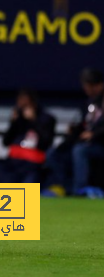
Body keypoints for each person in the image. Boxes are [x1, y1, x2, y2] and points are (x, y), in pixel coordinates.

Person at [44, 68, 104, 196]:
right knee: (53, 153)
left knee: (79, 150)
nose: (86, 89)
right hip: (86, 143)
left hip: (100, 143)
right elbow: (83, 124)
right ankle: (65, 187)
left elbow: (96, 128)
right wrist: (72, 133)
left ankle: (79, 190)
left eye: (88, 85)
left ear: (98, 85)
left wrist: (95, 134)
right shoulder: (89, 102)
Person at [2, 89, 56, 183]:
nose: (22, 108)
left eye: (25, 105)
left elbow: (46, 143)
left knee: (27, 193)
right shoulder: (19, 120)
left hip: (33, 164)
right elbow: (5, 142)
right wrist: (14, 123)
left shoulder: (47, 119)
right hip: (14, 163)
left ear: (33, 104)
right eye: (20, 105)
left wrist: (34, 121)